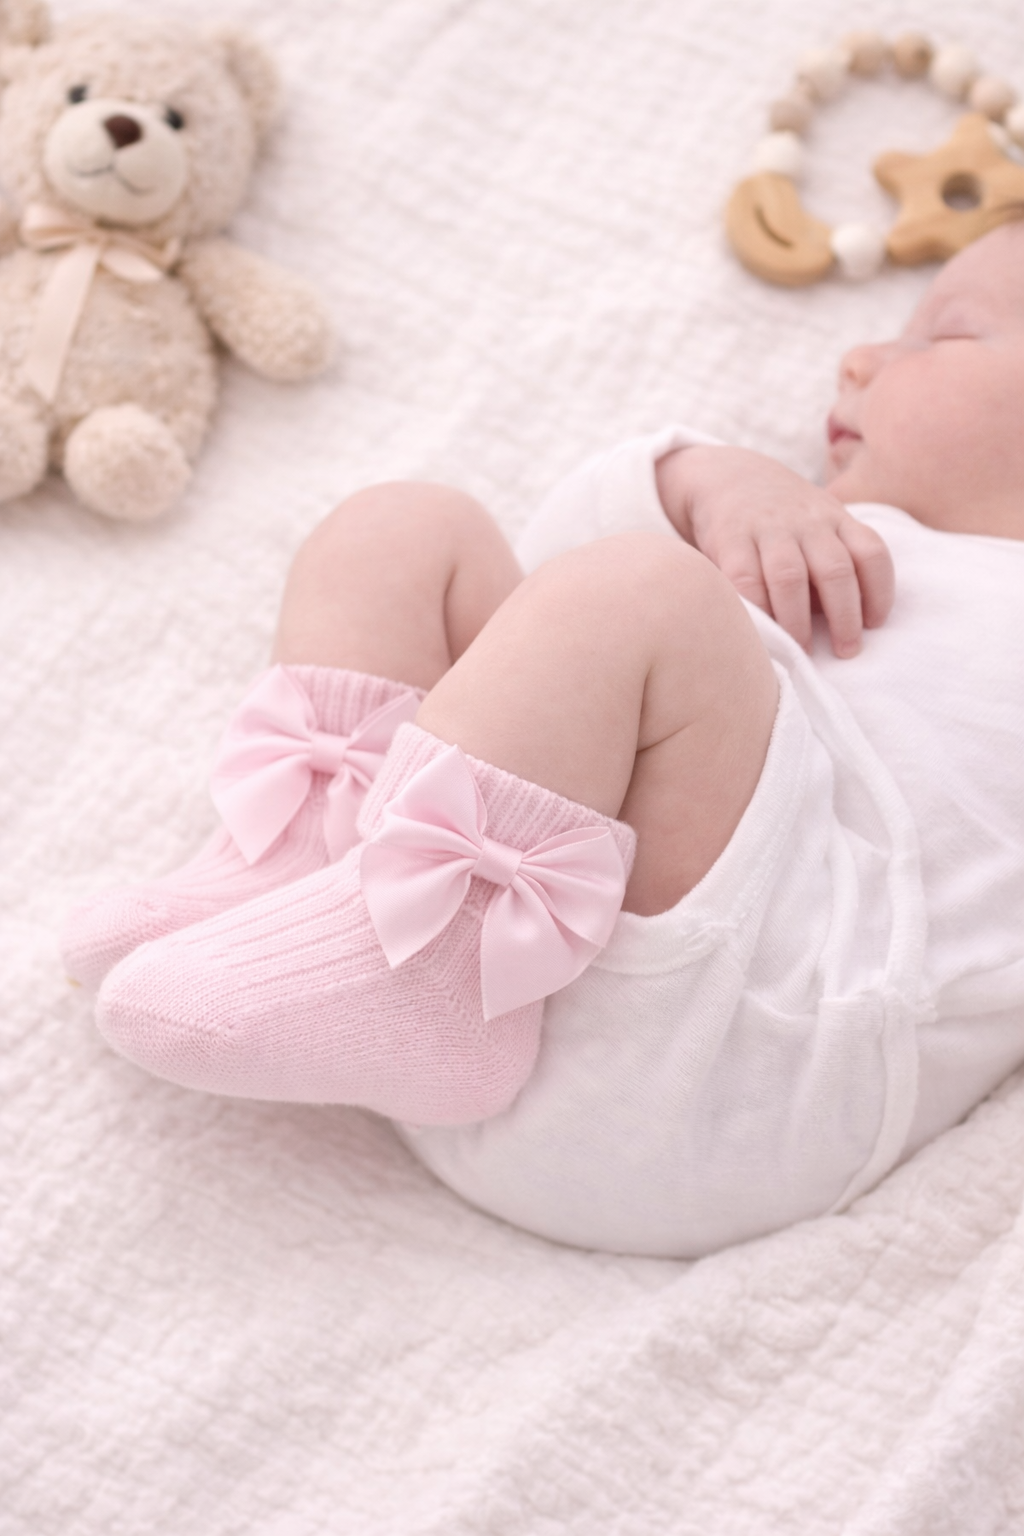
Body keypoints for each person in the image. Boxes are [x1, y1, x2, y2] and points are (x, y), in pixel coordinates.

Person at [62, 223, 1024, 1258]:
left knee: (643, 594)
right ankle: (302, 877)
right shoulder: (828, 530)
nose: (864, 358)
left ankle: (418, 966)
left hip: (731, 1063)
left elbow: (610, 599)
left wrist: (667, 571)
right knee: (405, 530)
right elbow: (555, 577)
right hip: (551, 934)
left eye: (946, 337)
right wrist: (710, 480)